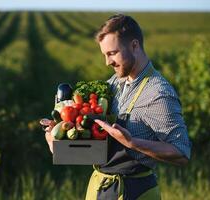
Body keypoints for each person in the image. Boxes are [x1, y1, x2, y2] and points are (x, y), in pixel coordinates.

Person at [45, 14, 191, 200]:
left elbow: (181, 152)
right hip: (101, 187)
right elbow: (98, 145)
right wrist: (59, 143)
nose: (107, 62)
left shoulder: (158, 93)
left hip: (135, 191)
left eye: (112, 53)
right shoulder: (115, 83)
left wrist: (132, 143)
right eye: (105, 55)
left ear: (134, 46)